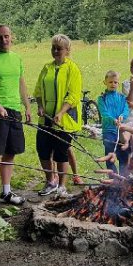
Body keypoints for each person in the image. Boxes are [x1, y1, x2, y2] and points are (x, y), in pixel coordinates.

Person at [0, 25, 31, 209]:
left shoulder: (17, 58)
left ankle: (6, 192)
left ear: (11, 37)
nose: (4, 40)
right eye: (0, 37)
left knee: (10, 152)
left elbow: (21, 84)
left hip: (14, 110)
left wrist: (27, 106)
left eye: (7, 36)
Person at [34, 34, 83, 197]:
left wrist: (61, 112)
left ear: (67, 50)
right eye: (53, 48)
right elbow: (38, 90)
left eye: (59, 48)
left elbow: (74, 95)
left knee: (61, 152)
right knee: (42, 149)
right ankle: (51, 181)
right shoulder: (46, 68)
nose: (55, 51)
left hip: (65, 120)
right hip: (46, 119)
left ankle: (62, 185)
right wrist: (40, 106)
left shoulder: (72, 69)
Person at [96, 70, 130, 174]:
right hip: (108, 131)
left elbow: (126, 110)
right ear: (105, 82)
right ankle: (114, 178)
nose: (113, 84)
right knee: (110, 155)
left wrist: (122, 116)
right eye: (110, 82)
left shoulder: (122, 97)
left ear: (118, 83)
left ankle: (123, 177)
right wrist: (112, 120)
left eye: (115, 82)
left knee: (123, 155)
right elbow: (104, 113)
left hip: (121, 130)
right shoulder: (102, 98)